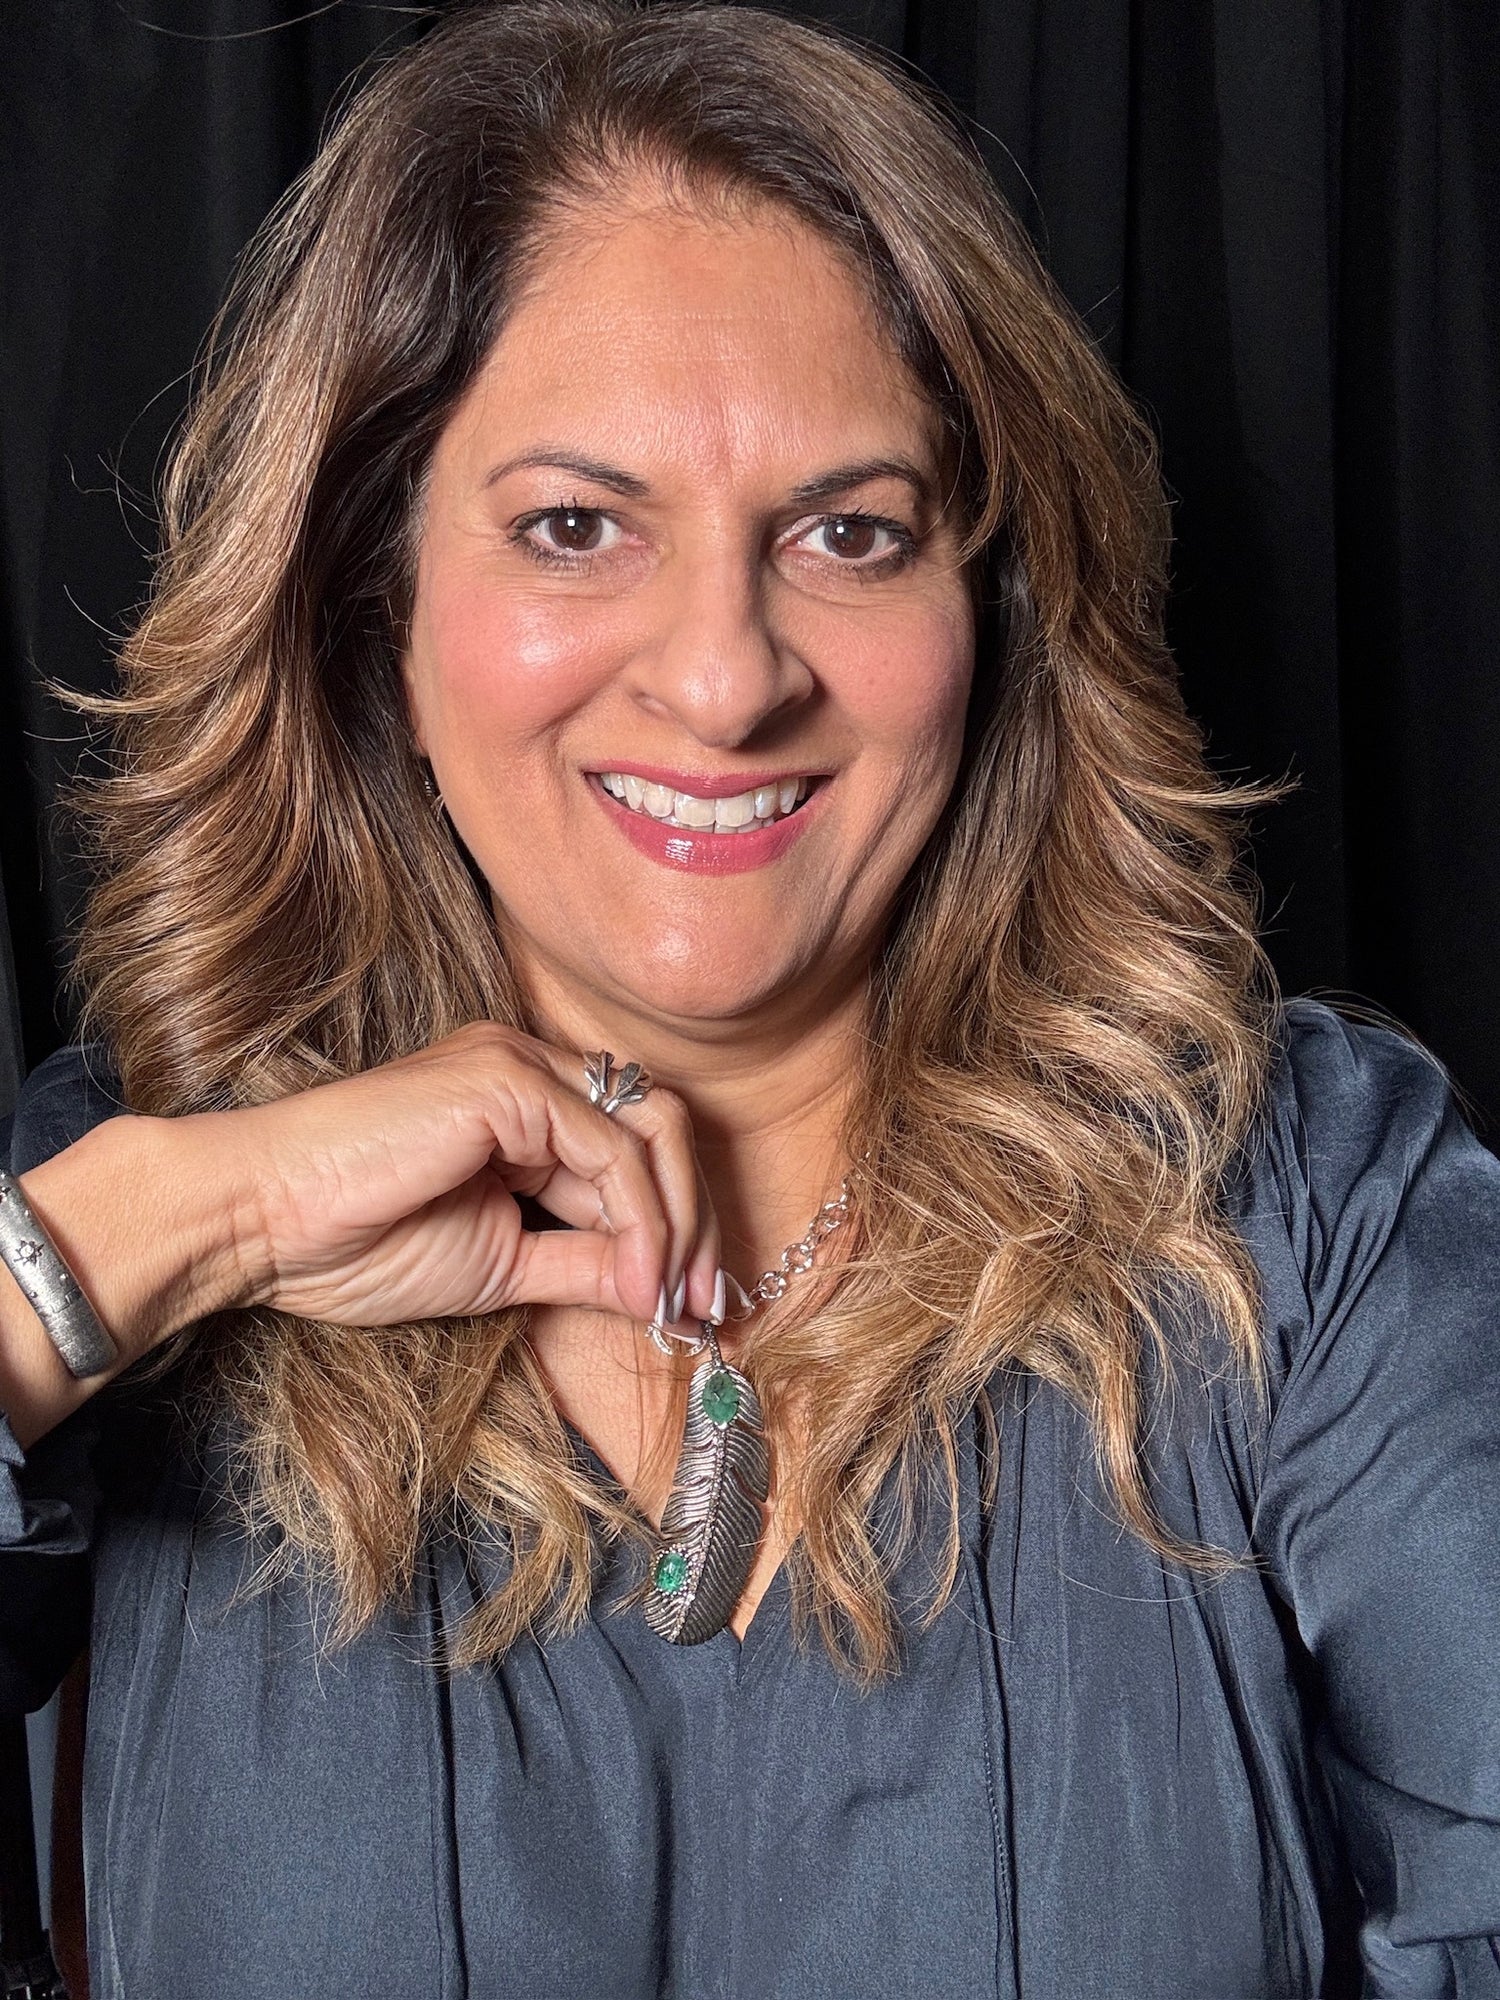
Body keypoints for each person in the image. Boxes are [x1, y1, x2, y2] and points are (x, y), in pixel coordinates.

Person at [1, 1, 1497, 1993]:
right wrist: (181, 1226)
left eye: (848, 534)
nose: (724, 677)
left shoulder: (1316, 1221)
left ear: (994, 622)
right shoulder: (127, 1211)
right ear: (377, 612)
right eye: (575, 527)